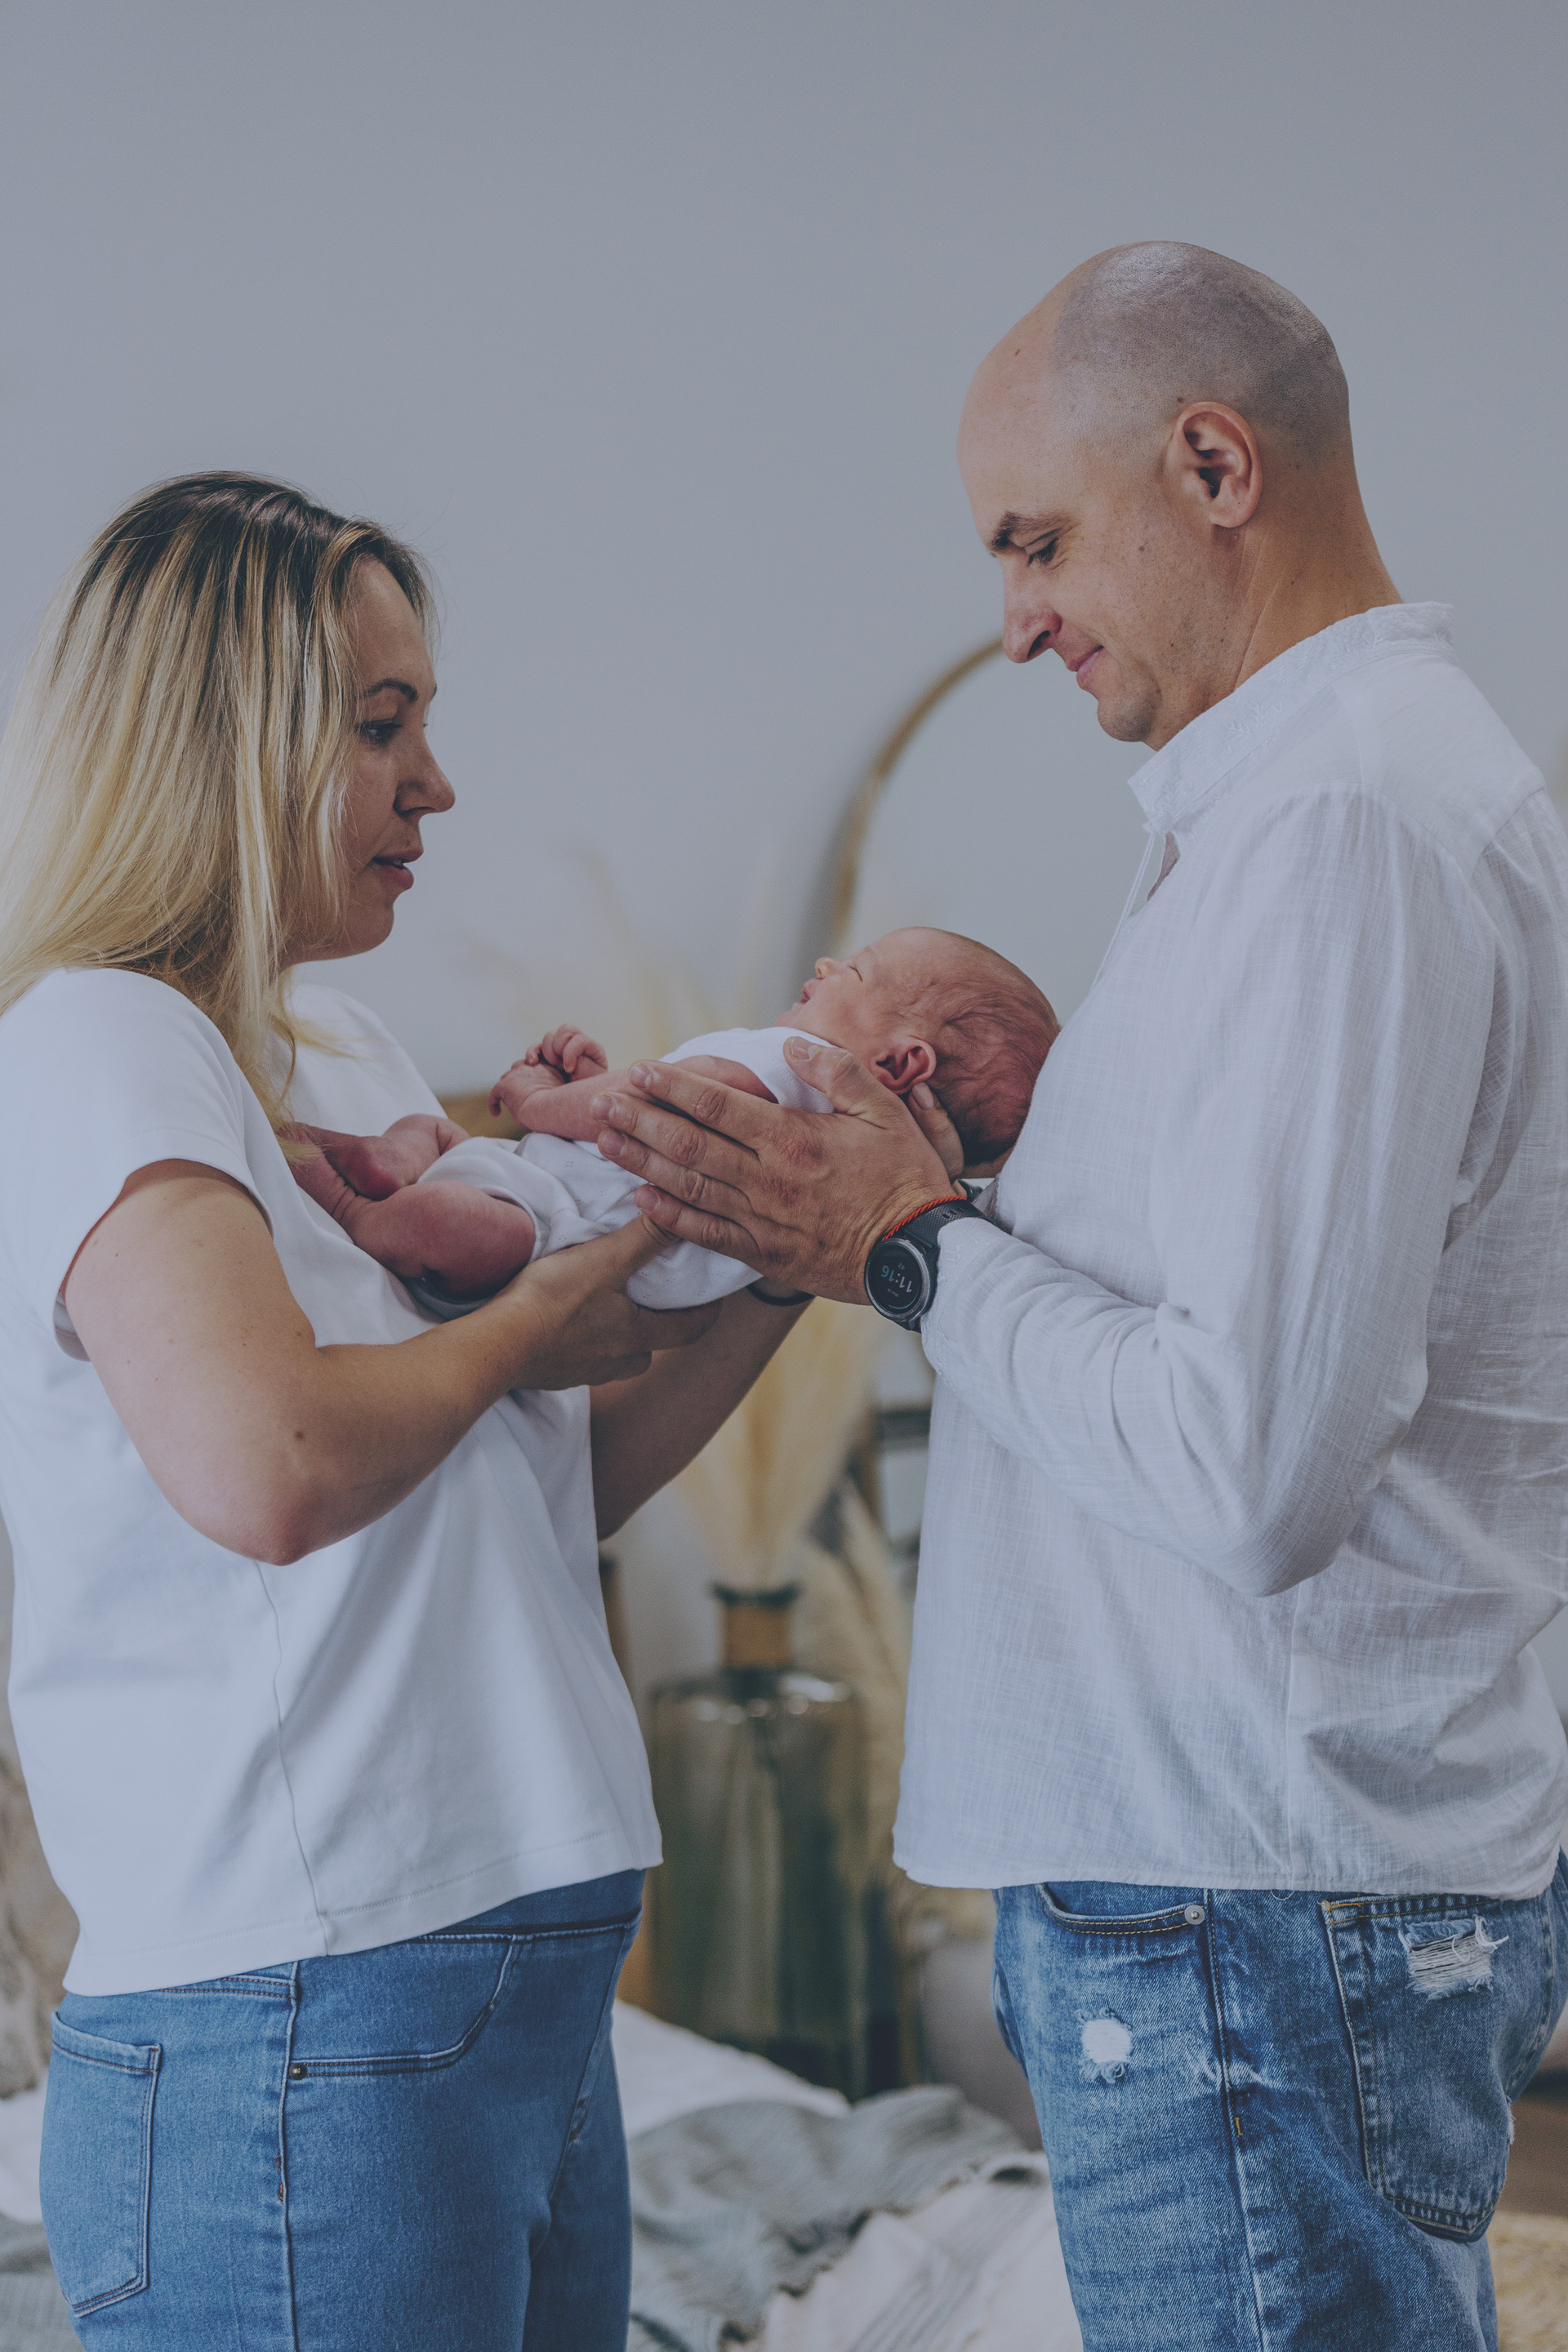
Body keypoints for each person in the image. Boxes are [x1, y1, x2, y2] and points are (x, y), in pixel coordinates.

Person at [585, 245, 1568, 2346]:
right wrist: (993, 1180)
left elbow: (1253, 1468)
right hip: (1235, 1902)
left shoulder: (1345, 823)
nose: (1017, 616)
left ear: (1212, 465)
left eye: (1035, 541)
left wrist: (909, 1246)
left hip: (1248, 1907)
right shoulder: (1292, 805)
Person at [0, 473, 814, 2350]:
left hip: (500, 1965)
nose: (435, 784)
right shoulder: (96, 1041)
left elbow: (546, 1488)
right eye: (382, 727)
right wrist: (537, 1311)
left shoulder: (337, 1051)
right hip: (304, 2000)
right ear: (222, 742)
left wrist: (774, 1259)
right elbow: (272, 1466)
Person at [288, 927, 1057, 1310]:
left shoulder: (796, 1063)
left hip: (545, 1226)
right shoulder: (810, 1131)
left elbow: (643, 1105)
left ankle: (356, 1207)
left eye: (854, 972)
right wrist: (591, 1087)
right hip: (550, 1196)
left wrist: (539, 1102)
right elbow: (646, 1117)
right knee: (440, 1148)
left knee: (461, 1216)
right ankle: (394, 1163)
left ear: (899, 1064)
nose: (826, 965)